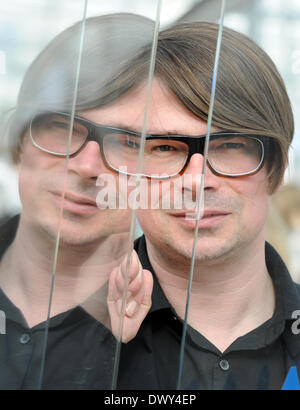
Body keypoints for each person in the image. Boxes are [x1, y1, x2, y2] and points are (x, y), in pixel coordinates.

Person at [104, 22, 300, 390]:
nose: (197, 180)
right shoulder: (58, 333)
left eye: (229, 145)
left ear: (276, 170)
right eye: (164, 147)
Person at [0, 13, 154, 390]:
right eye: (63, 126)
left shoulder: (182, 334)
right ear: (21, 140)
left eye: (129, 142)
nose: (88, 166)